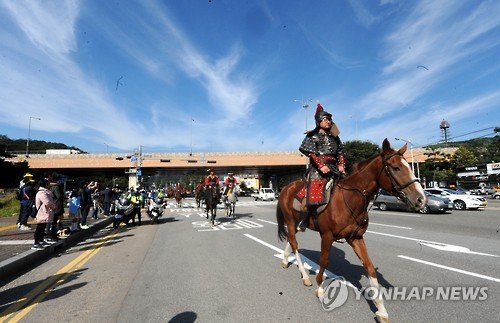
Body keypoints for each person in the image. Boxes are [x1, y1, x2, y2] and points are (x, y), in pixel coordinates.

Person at [297, 103, 346, 231]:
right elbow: (312, 153)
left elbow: (340, 152)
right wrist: (321, 166)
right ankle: (305, 217)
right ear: (319, 121)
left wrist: (341, 164)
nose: (329, 122)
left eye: (330, 119)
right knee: (314, 190)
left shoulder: (335, 138)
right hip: (317, 169)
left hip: (334, 168)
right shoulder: (312, 136)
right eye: (326, 119)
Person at [32, 179, 55, 250]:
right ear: (45, 185)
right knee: (39, 227)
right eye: (48, 184)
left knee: (42, 227)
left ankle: (41, 241)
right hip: (42, 212)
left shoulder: (45, 192)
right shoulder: (42, 193)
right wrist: (54, 206)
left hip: (45, 212)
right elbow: (47, 202)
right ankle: (36, 243)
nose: (49, 185)